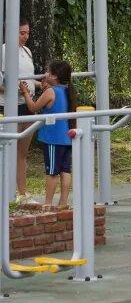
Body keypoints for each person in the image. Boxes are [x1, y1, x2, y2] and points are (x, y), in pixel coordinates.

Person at [21, 60, 76, 207]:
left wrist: (26, 93)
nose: (45, 74)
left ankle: (48, 204)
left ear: (55, 76)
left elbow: (33, 107)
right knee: (65, 170)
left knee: (51, 172)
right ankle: (63, 203)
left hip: (53, 138)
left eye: (48, 71)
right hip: (65, 138)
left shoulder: (51, 92)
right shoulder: (66, 90)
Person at [1, 18, 38, 199]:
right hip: (10, 106)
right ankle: (6, 193)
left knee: (22, 152)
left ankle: (22, 193)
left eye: (27, 33)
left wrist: (41, 83)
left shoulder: (27, 51)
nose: (25, 37)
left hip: (27, 105)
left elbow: (28, 78)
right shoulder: (4, 51)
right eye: (21, 33)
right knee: (8, 149)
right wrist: (15, 90)